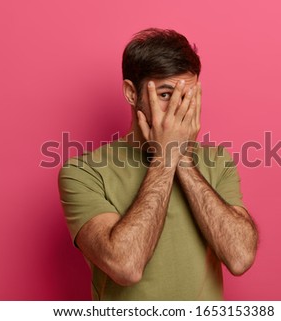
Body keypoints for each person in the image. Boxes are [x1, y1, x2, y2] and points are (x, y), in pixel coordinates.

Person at [58, 28, 258, 300]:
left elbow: (240, 258)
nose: (180, 108)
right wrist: (165, 159)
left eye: (187, 96)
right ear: (131, 93)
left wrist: (180, 159)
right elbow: (125, 266)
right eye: (166, 95)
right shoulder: (83, 172)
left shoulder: (218, 162)